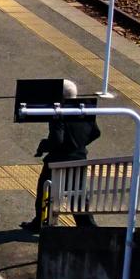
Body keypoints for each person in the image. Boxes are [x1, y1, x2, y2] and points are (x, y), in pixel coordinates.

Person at [26, 80, 102, 229]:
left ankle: (41, 222)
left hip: (59, 160)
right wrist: (78, 144)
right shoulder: (83, 109)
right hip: (79, 158)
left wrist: (43, 146)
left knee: (45, 189)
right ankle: (88, 227)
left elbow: (57, 139)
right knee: (77, 194)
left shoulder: (58, 112)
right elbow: (96, 132)